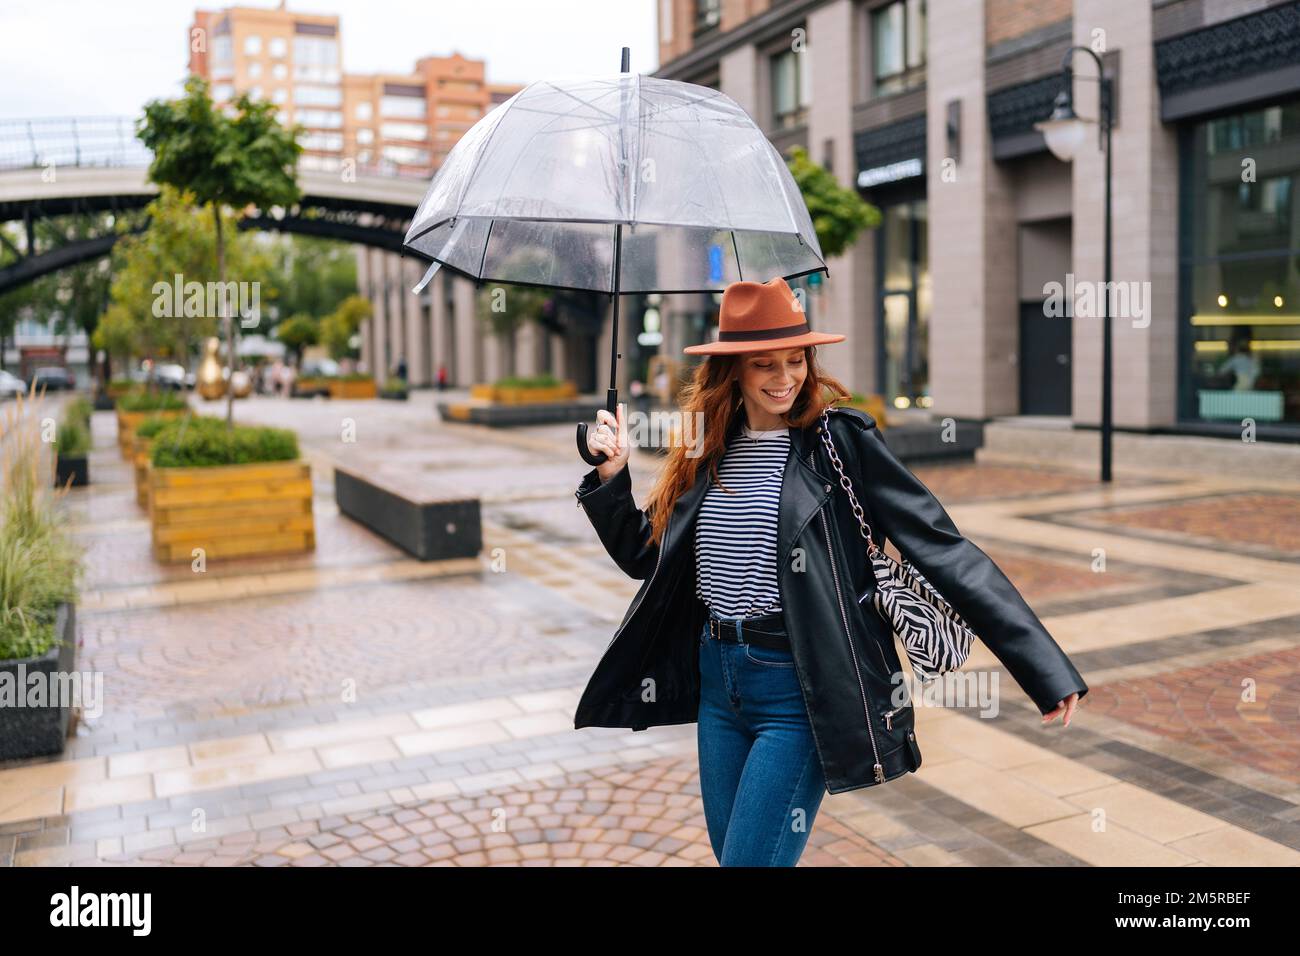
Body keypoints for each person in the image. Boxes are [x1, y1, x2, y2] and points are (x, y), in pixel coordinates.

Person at [575, 275, 1086, 867]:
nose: (785, 377)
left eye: (796, 359)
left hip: (799, 687)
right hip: (718, 682)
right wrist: (613, 477)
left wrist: (1042, 666)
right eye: (764, 363)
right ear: (732, 371)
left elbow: (943, 547)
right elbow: (648, 557)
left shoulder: (840, 442)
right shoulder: (705, 448)